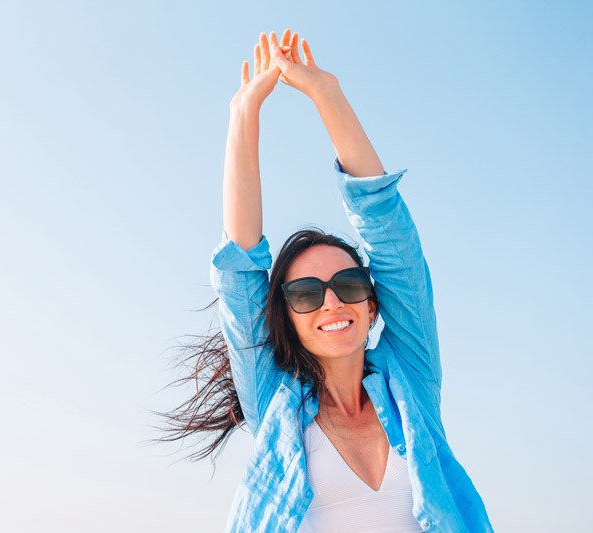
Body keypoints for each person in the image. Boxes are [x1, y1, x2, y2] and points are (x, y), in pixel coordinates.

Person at [159, 29, 493, 532]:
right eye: (306, 295)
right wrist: (244, 113)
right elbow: (239, 270)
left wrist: (327, 94)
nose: (331, 303)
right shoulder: (273, 400)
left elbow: (392, 240)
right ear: (286, 319)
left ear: (373, 304)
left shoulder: (411, 381)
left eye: (350, 285)